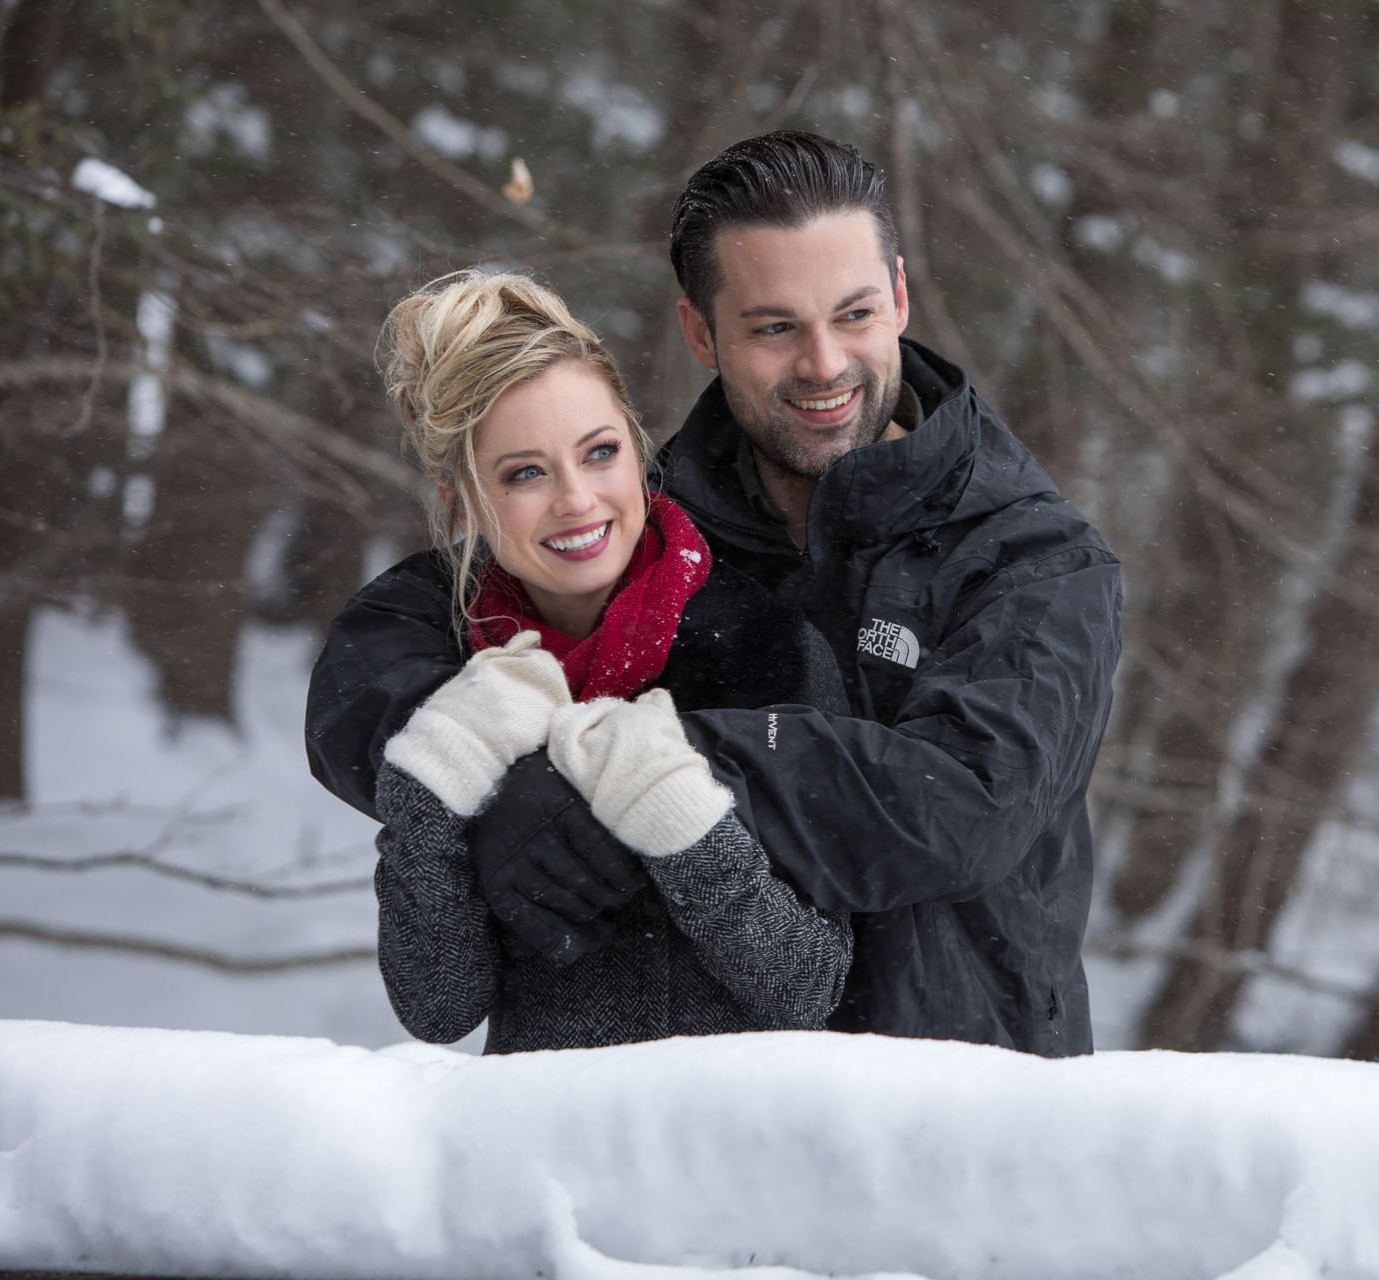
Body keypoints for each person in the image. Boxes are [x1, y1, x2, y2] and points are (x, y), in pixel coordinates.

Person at [308, 131, 1123, 1057]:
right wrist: (487, 776)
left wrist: (649, 764)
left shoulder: (1034, 557)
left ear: (900, 295)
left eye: (854, 314)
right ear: (701, 331)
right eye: (775, 327)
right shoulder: (652, 521)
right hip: (689, 1130)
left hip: (949, 1096)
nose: (824, 364)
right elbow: (386, 651)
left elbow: (962, 804)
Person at [358, 269, 852, 1053]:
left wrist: (682, 822)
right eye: (526, 472)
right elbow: (438, 1007)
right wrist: (431, 790)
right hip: (541, 1149)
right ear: (462, 502)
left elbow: (811, 985)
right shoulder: (454, 677)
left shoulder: (768, 647)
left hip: (730, 1147)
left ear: (636, 448)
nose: (578, 500)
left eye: (599, 453)